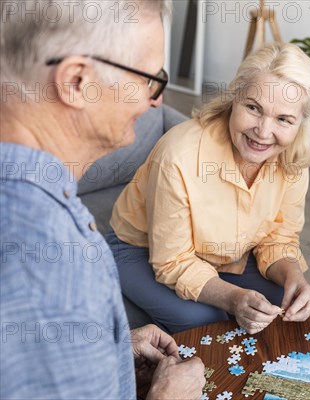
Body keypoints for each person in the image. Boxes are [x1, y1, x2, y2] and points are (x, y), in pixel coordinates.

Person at [0, 1, 205, 398]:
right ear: (78, 81)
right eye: (150, 79)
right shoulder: (49, 258)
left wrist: (108, 348)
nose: (156, 101)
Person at [106, 42, 310, 334]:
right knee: (205, 321)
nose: (263, 131)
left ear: (300, 124)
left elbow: (278, 238)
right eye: (253, 108)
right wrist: (234, 299)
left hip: (231, 253)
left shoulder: (294, 158)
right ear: (235, 98)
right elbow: (173, 261)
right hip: (140, 249)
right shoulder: (178, 156)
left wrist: (294, 277)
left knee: (282, 309)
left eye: (284, 119)